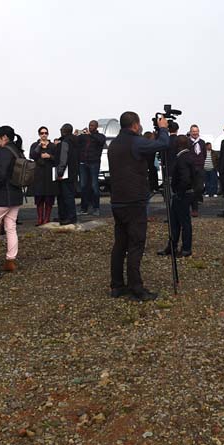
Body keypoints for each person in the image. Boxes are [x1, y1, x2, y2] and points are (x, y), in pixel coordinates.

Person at [108, 111, 170, 302]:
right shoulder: (136, 142)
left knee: (120, 244)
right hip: (134, 201)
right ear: (135, 125)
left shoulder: (114, 144)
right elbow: (162, 144)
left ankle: (117, 285)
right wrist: (163, 129)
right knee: (136, 244)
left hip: (117, 200)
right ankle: (137, 288)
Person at [0, 126, 25, 273]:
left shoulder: (3, 152)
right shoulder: (18, 151)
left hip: (1, 196)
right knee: (11, 227)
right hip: (16, 196)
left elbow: (0, 174)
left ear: (4, 138)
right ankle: (10, 260)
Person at [29, 126, 58, 226]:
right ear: (39, 134)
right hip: (39, 174)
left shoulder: (53, 146)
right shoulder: (35, 145)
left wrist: (49, 156)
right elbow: (32, 155)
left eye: (46, 133)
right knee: (39, 197)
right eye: (42, 133)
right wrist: (39, 147)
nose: (44, 135)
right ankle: (40, 219)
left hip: (49, 174)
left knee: (49, 198)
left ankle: (47, 219)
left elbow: (57, 159)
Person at [77, 120, 106, 217]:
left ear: (96, 127)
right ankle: (83, 208)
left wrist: (91, 135)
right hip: (83, 163)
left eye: (92, 125)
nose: (90, 127)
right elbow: (76, 142)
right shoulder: (84, 136)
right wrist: (76, 134)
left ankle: (96, 208)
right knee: (83, 186)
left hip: (94, 163)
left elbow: (101, 141)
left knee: (94, 186)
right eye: (89, 125)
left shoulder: (100, 136)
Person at [56, 124, 79, 226]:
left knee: (65, 196)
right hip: (73, 171)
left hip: (65, 173)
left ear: (63, 131)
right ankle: (66, 216)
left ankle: (69, 217)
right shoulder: (76, 141)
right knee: (69, 195)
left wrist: (60, 172)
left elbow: (63, 158)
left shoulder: (65, 142)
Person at [187, 125, 206, 217]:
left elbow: (204, 154)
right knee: (191, 189)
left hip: (200, 168)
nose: (195, 133)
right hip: (190, 169)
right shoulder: (187, 142)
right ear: (190, 132)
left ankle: (195, 204)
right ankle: (194, 209)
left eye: (196, 131)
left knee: (199, 188)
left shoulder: (202, 142)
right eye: (193, 131)